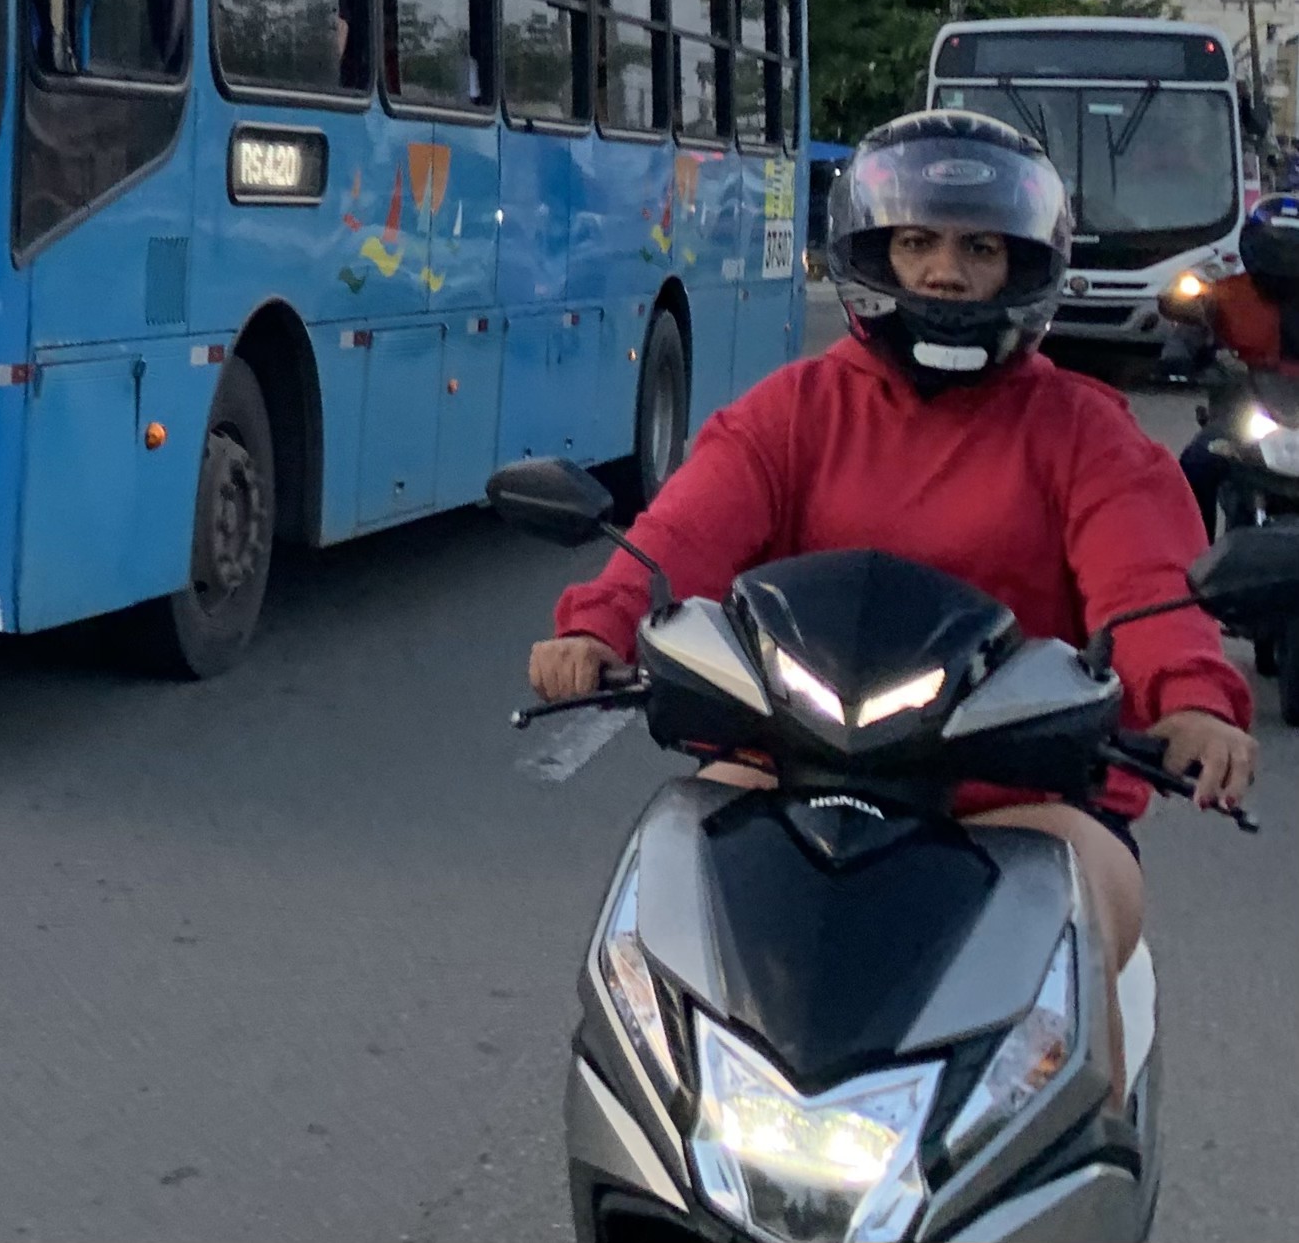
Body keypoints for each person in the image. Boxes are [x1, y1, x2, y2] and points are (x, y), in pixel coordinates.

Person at [529, 109, 1256, 1087]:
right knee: (660, 890)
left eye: (977, 248)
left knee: (1089, 925)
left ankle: (1080, 1177)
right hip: (793, 772)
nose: (943, 273)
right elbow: (679, 537)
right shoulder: (792, 411)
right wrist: (597, 624)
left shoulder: (1084, 432)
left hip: (1017, 800)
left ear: (1025, 265)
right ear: (874, 253)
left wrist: (1191, 700)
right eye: (915, 243)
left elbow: (1144, 584)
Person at [1160, 194, 1299, 533]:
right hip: (1246, 411)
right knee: (1195, 465)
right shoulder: (1228, 293)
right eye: (1275, 247)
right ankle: (1195, 559)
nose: (1284, 257)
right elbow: (1191, 323)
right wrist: (1178, 357)